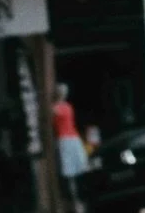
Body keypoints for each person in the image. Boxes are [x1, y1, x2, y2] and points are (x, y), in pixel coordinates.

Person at [52, 83, 88, 212]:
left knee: (74, 171)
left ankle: (77, 201)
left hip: (69, 139)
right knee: (70, 173)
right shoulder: (60, 107)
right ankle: (75, 201)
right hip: (66, 140)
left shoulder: (65, 107)